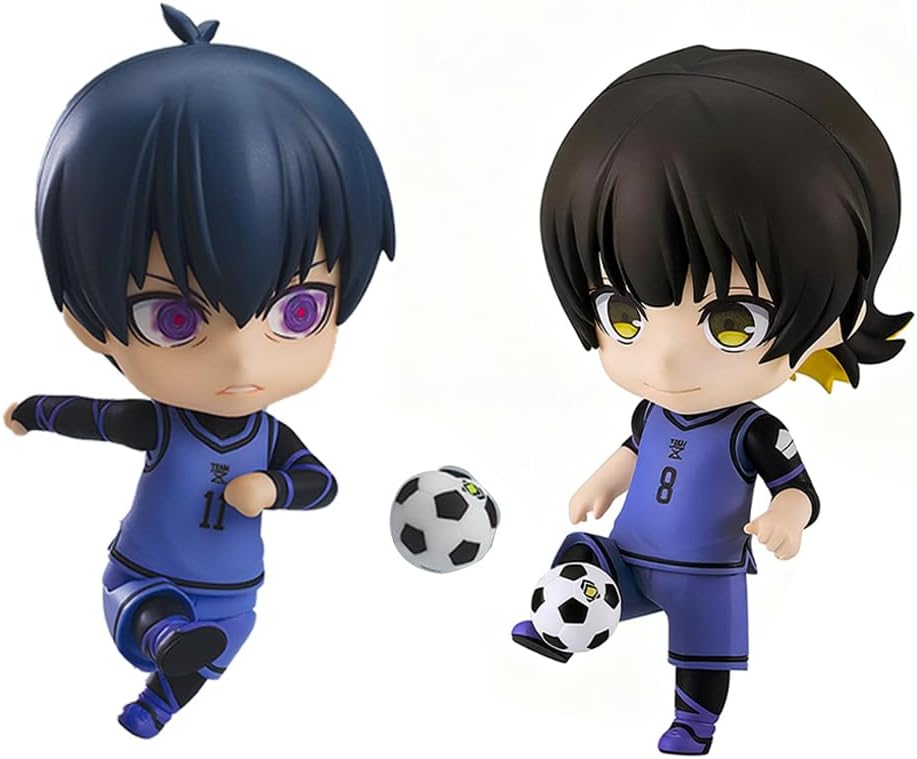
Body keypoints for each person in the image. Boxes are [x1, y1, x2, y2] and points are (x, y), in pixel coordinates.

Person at [4, 4, 394, 738]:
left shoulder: (269, 439)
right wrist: (30, 412)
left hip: (234, 592)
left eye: (299, 310)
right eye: (174, 319)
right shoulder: (160, 423)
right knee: (147, 615)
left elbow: (322, 484)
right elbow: (90, 416)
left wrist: (274, 488)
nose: (242, 360)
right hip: (145, 573)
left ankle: (159, 698)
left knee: (219, 647)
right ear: (88, 321)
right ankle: (165, 642)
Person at [511, 45, 909, 755]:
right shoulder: (651, 411)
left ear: (834, 314)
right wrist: (603, 480)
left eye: (731, 323)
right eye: (622, 314)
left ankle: (694, 720)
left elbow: (798, 488)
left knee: (702, 656)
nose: (664, 360)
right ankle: (562, 625)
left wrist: (785, 516)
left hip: (705, 573)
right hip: (629, 559)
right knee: (580, 556)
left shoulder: (753, 431)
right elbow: (633, 448)